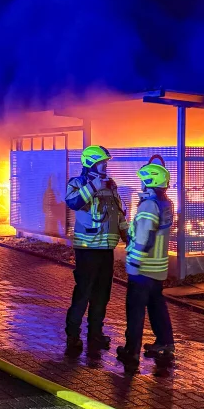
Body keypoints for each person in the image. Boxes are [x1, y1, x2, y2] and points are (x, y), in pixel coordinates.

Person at [63, 145, 128, 354]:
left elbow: (119, 214)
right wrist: (93, 186)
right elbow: (72, 202)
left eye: (106, 162)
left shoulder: (111, 184)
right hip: (87, 249)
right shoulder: (77, 183)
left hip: (106, 249)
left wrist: (128, 237)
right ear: (91, 162)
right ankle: (73, 335)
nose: (105, 165)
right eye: (102, 162)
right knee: (83, 293)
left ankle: (95, 334)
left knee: (102, 294)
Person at [116, 157, 175, 369]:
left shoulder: (149, 205)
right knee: (157, 307)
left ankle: (131, 352)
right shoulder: (166, 203)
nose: (141, 184)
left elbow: (144, 237)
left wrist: (134, 261)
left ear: (149, 181)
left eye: (143, 181)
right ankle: (166, 344)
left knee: (135, 311)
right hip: (159, 268)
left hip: (143, 269)